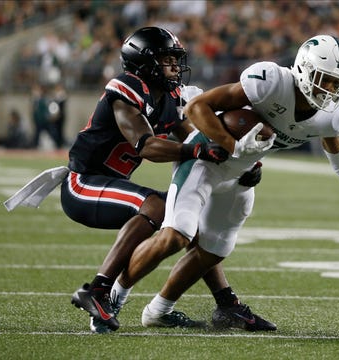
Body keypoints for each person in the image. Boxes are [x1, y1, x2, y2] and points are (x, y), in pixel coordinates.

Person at [117, 35, 339, 329]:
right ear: (304, 69)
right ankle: (113, 295)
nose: (331, 90)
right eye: (325, 79)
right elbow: (198, 108)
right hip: (206, 159)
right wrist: (232, 147)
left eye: (338, 83)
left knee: (215, 249)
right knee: (177, 234)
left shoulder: (334, 116)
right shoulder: (270, 81)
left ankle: (159, 310)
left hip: (243, 174)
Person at [65, 27, 274, 334]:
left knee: (191, 223)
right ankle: (97, 290)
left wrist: (241, 164)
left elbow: (195, 136)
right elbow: (147, 146)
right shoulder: (126, 89)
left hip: (111, 185)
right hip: (84, 184)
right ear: (144, 63)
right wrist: (196, 150)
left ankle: (226, 303)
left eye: (176, 59)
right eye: (167, 59)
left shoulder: (170, 97)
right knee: (157, 206)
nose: (175, 67)